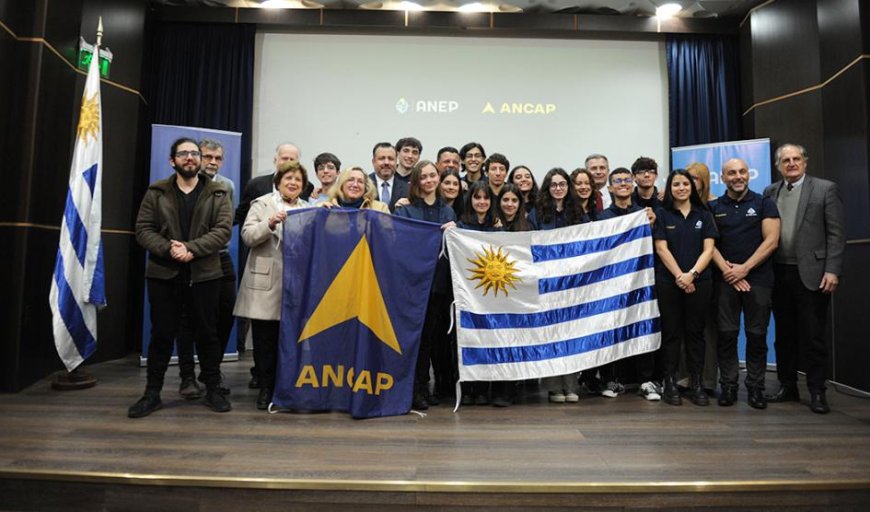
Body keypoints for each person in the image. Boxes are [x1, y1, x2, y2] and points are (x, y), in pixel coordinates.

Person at [129, 137, 232, 418]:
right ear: (172, 160)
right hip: (164, 273)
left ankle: (212, 388)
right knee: (162, 334)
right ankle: (152, 394)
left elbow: (223, 231)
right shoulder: (156, 192)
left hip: (205, 274)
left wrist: (191, 249)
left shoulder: (219, 192)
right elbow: (143, 229)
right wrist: (169, 250)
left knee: (208, 334)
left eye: (194, 153)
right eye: (183, 153)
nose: (190, 157)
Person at [763, 143, 845, 414]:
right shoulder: (770, 192)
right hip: (778, 272)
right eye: (785, 160)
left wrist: (832, 270)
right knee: (784, 335)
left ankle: (817, 391)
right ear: (778, 166)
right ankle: (788, 386)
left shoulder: (825, 189)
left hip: (812, 274)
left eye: (796, 159)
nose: (791, 163)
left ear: (805, 162)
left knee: (812, 336)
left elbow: (835, 234)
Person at [233, 161, 311, 410]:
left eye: (298, 180)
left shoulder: (308, 209)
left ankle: (285, 387)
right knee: (265, 340)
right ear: (278, 181)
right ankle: (266, 387)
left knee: (289, 339)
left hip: (295, 284)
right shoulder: (262, 203)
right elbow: (247, 236)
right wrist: (269, 224)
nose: (293, 183)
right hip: (265, 282)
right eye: (288, 178)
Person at [709, 158, 780, 409]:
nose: (737, 176)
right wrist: (729, 271)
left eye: (741, 172)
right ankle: (728, 386)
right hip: (725, 280)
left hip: (758, 280)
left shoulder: (764, 203)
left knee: (756, 335)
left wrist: (745, 269)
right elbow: (709, 245)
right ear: (723, 177)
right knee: (727, 336)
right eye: (731, 173)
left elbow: (771, 241)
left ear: (748, 174)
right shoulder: (713, 206)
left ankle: (756, 387)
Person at [175, 138, 237, 400]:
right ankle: (187, 375)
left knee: (226, 312)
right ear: (198, 157)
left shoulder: (227, 186)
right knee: (186, 319)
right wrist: (188, 250)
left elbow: (224, 226)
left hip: (218, 256)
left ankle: (211, 369)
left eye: (218, 158)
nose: (213, 162)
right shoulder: (179, 184)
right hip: (185, 260)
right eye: (208, 156)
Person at [394, 160, 457, 410]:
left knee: (431, 339)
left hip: (438, 284)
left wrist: (456, 231)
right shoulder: (405, 210)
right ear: (416, 181)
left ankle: (424, 385)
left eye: (433, 175)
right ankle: (414, 389)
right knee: (415, 339)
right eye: (424, 177)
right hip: (412, 284)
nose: (429, 180)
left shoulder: (447, 212)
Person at [653, 169, 718, 407]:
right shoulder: (662, 214)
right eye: (676, 184)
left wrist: (692, 275)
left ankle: (697, 383)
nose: (681, 188)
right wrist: (680, 276)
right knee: (671, 334)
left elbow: (709, 250)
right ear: (669, 188)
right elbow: (661, 249)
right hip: (669, 282)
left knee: (696, 334)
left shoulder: (704, 214)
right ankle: (670, 382)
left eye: (685, 184)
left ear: (692, 186)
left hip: (700, 282)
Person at [597, 168, 657, 400]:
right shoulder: (602, 218)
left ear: (632, 185)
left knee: (642, 326)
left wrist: (651, 224)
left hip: (640, 280)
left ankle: (646, 380)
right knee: (614, 329)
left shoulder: (644, 214)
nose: (623, 184)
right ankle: (614, 380)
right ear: (610, 188)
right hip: (612, 283)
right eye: (617, 181)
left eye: (626, 180)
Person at [528, 168, 587, 403]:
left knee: (571, 333)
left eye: (562, 184)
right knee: (551, 333)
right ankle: (553, 386)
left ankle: (571, 385)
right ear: (547, 188)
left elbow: (587, 243)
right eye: (553, 185)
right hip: (547, 283)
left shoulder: (577, 213)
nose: (558, 188)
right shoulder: (536, 213)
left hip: (573, 283)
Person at [456, 180, 500, 405]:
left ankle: (483, 388)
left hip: (490, 294)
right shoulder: (460, 227)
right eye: (477, 197)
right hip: (466, 294)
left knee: (487, 338)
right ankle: (468, 387)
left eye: (486, 198)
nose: (481, 202)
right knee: (468, 337)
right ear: (470, 200)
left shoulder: (497, 227)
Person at [684, 161, 718, 393]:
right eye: (686, 180)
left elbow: (713, 245)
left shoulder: (714, 206)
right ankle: (684, 377)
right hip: (680, 277)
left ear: (704, 181)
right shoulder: (675, 207)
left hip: (708, 276)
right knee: (684, 329)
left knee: (707, 330)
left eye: (694, 179)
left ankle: (706, 381)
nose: (689, 184)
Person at [368, 142, 408, 212]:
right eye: (381, 158)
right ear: (373, 161)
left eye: (391, 159)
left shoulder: (407, 189)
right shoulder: (364, 186)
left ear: (396, 162)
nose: (386, 162)